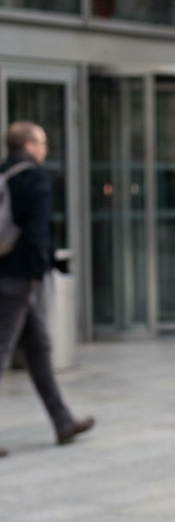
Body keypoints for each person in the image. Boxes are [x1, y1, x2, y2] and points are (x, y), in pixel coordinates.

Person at [0, 122, 93, 460]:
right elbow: (38, 231)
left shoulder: (4, 173)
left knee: (39, 348)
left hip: (7, 273)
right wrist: (40, 271)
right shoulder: (36, 178)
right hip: (18, 279)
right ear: (29, 145)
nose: (46, 149)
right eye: (43, 142)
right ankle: (62, 420)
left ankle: (63, 421)